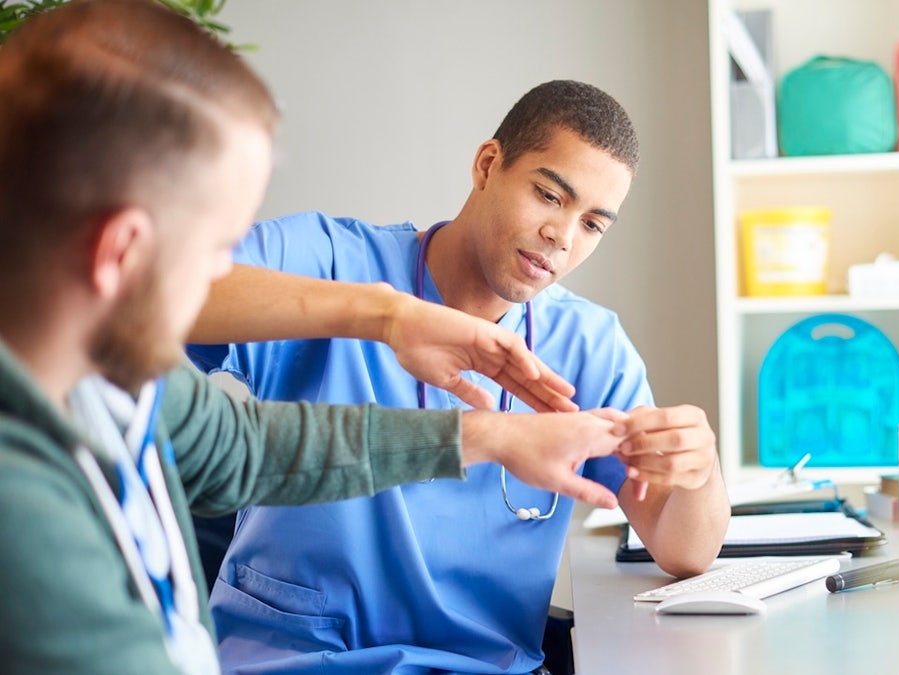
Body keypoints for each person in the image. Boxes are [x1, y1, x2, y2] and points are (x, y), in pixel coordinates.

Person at [0, 3, 640, 674]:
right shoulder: (28, 516)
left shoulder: (116, 383)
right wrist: (384, 314)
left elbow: (248, 445)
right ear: (121, 253)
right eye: (219, 245)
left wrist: (490, 437)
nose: (228, 273)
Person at [188, 79, 731, 674]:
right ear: (488, 164)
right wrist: (386, 315)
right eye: (550, 196)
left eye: (593, 225)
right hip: (297, 659)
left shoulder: (589, 345)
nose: (563, 237)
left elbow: (684, 550)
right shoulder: (332, 260)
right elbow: (158, 292)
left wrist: (698, 470)